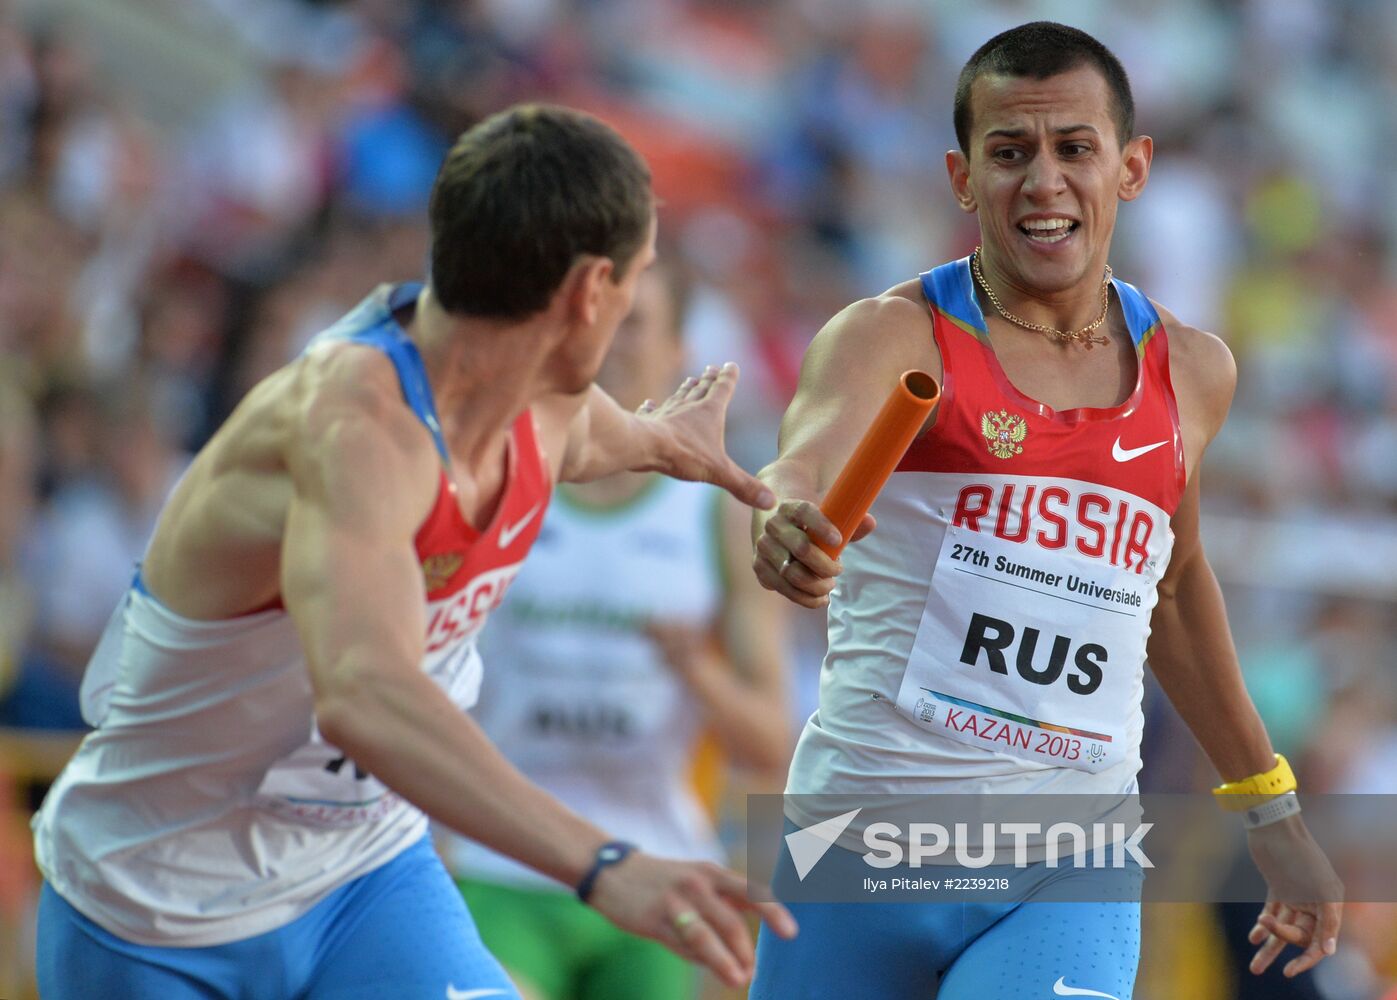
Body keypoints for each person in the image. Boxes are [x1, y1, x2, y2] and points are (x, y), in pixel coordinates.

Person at [31, 103, 796, 1000]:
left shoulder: (547, 405)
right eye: (637, 278)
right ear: (592, 290)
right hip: (156, 909)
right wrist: (603, 863)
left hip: (362, 883)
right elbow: (365, 695)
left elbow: (600, 435)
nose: (630, 307)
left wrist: (669, 440)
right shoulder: (349, 425)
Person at [747, 22, 1341, 1000]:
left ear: (1130, 166)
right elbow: (801, 463)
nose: (1043, 182)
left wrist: (1270, 810)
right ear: (960, 177)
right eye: (1009, 152)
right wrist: (786, 519)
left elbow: (1173, 588)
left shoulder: (1191, 372)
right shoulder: (893, 335)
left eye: (1073, 148)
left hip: (1067, 863)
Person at [443, 262, 792, 1000]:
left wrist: (696, 670)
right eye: (593, 322)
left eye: (632, 325)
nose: (607, 342)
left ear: (677, 350)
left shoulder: (717, 514)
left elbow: (770, 745)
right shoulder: (495, 477)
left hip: (655, 869)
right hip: (506, 860)